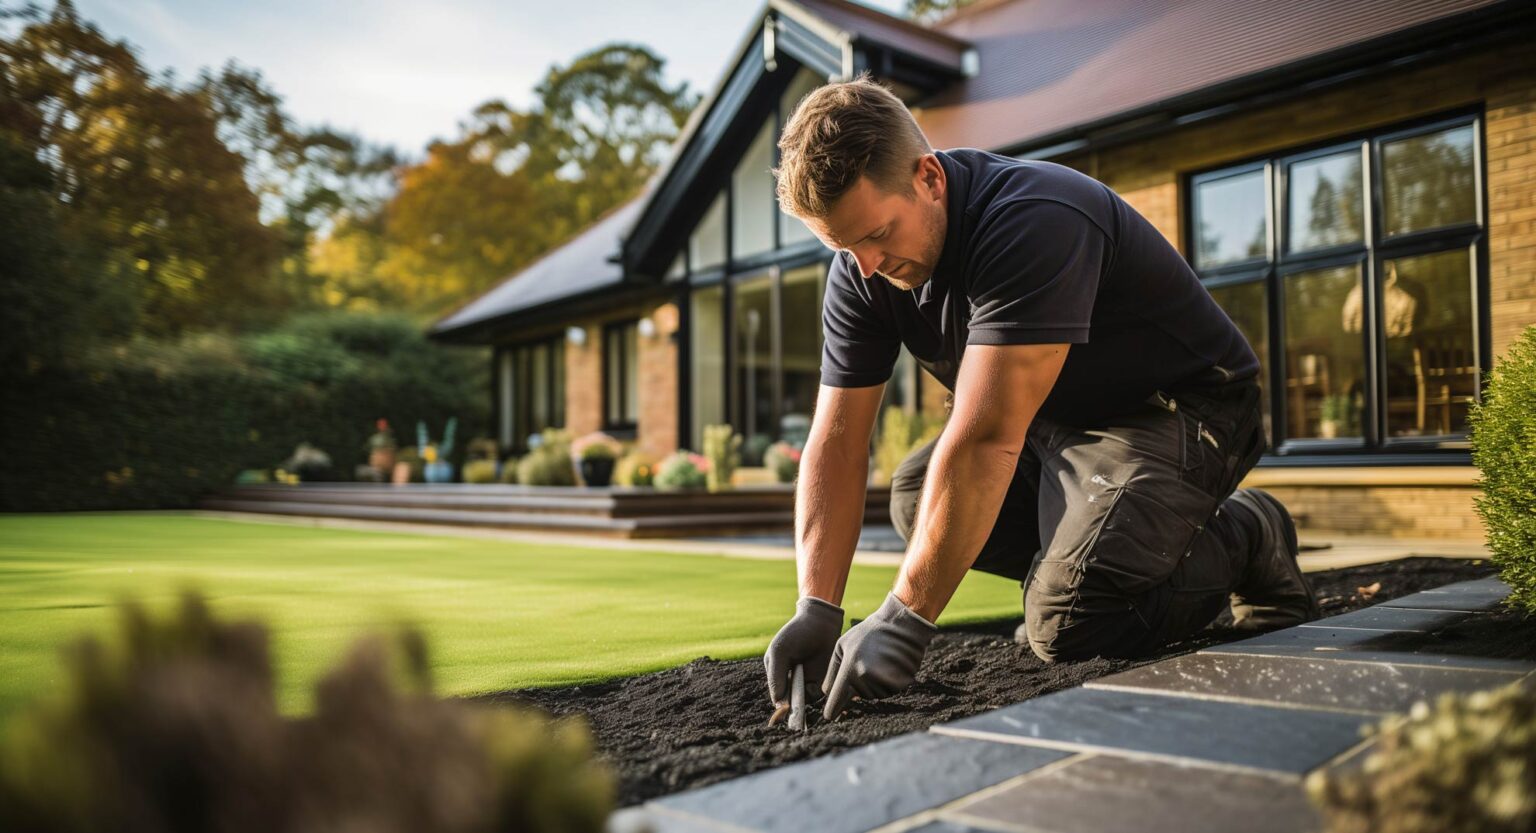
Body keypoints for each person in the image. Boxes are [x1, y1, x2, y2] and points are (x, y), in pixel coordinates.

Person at [761, 74, 1320, 723]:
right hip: (1063, 425)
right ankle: (1086, 566)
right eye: (842, 246)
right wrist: (817, 605)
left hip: (1187, 409)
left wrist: (905, 615)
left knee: (1071, 624)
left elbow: (987, 438)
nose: (865, 266)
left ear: (929, 179)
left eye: (877, 234)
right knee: (917, 495)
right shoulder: (864, 272)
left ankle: (1249, 534)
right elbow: (836, 441)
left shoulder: (1031, 218)